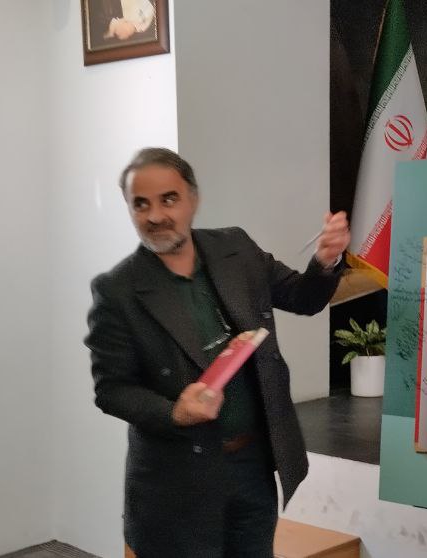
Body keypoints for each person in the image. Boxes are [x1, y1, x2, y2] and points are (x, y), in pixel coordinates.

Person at [85, 147, 350, 557]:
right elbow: (112, 389)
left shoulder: (235, 249)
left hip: (251, 466)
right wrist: (174, 412)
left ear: (193, 199)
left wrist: (326, 261)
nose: (155, 215)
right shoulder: (117, 290)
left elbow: (303, 297)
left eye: (168, 199)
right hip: (176, 481)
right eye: (141, 204)